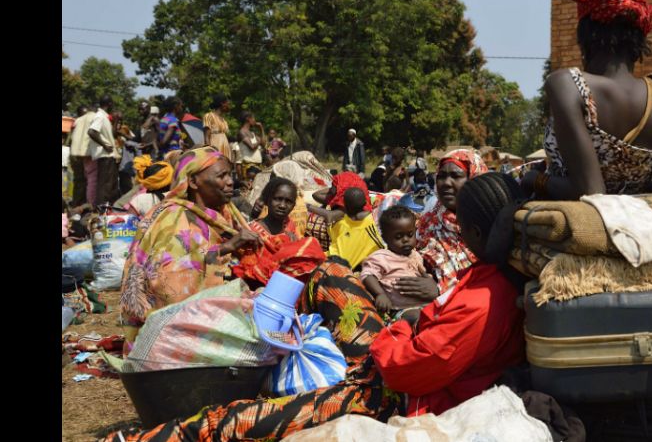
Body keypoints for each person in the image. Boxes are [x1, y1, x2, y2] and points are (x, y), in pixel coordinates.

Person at [101, 172, 526, 442]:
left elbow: (408, 367)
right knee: (329, 269)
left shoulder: (486, 300)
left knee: (262, 418)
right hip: (391, 357)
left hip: (390, 392)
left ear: (469, 230)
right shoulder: (489, 278)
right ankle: (283, 332)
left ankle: (165, 437)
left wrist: (397, 329)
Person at [526, 0, 652, 199]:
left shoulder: (567, 84)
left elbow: (591, 193)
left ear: (585, 37)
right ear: (639, 41)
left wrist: (534, 179)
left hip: (578, 224)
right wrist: (639, 188)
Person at [119, 146, 260, 345]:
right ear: (193, 181)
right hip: (169, 329)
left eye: (231, 175)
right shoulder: (173, 217)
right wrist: (227, 247)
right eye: (221, 176)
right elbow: (167, 277)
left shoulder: (218, 214)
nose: (230, 182)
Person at [415, 149, 488, 293]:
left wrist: (438, 290)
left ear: (474, 179)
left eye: (456, 175)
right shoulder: (428, 224)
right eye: (441, 176)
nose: (446, 183)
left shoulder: (490, 225)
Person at [233, 177, 325, 288]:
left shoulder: (291, 229)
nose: (282, 205)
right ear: (267, 200)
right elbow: (246, 271)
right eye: (277, 199)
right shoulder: (252, 232)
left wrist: (294, 248)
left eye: (288, 201)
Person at [360, 205, 426, 321]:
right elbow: (368, 275)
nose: (405, 240)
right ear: (385, 238)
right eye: (398, 236)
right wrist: (380, 294)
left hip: (423, 304)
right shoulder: (381, 257)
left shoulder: (416, 256)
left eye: (410, 235)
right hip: (401, 309)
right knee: (418, 317)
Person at [321, 187, 385, 270]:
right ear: (365, 203)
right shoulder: (374, 225)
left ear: (345, 205)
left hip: (329, 265)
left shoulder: (341, 222)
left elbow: (333, 236)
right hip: (333, 267)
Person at [87, 95, 120, 205]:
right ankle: (102, 210)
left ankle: (105, 208)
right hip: (105, 155)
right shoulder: (100, 116)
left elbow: (113, 135)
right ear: (109, 104)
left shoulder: (105, 117)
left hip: (108, 156)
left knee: (108, 185)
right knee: (105, 185)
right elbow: (91, 132)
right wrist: (104, 145)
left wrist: (116, 121)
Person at [69, 105, 95, 207]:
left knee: (83, 182)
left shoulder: (78, 123)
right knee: (80, 182)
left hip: (79, 156)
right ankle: (77, 204)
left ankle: (79, 203)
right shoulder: (78, 123)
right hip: (77, 157)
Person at [203, 93, 234, 161]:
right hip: (215, 151)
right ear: (222, 104)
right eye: (227, 104)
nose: (229, 106)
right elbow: (206, 137)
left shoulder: (224, 121)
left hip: (225, 152)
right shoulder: (209, 116)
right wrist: (210, 154)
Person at [237, 111, 265, 178]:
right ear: (248, 119)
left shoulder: (253, 133)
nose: (254, 121)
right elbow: (252, 147)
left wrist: (261, 129)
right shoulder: (242, 132)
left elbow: (263, 144)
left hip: (258, 165)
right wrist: (259, 141)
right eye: (253, 118)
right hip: (248, 167)